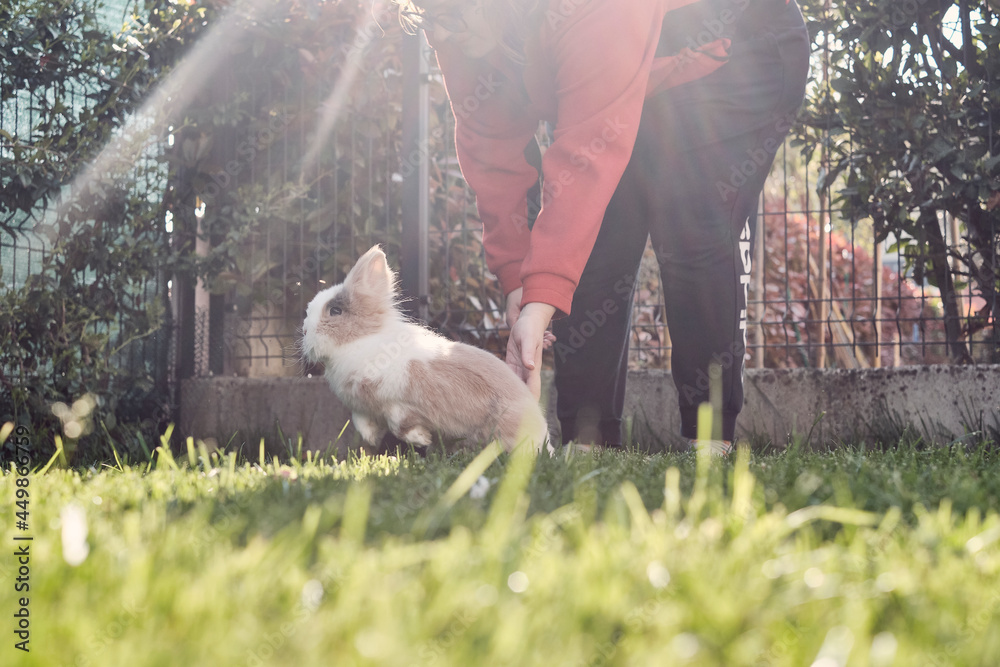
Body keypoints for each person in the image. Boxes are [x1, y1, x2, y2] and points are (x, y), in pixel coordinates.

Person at [393, 0, 810, 451]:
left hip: (732, 55)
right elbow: (491, 149)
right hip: (628, 72)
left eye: (448, 16)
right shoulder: (456, 27)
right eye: (428, 18)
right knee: (592, 247)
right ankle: (587, 440)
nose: (439, 34)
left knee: (693, 223)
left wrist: (541, 302)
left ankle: (710, 441)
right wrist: (518, 282)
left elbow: (584, 157)